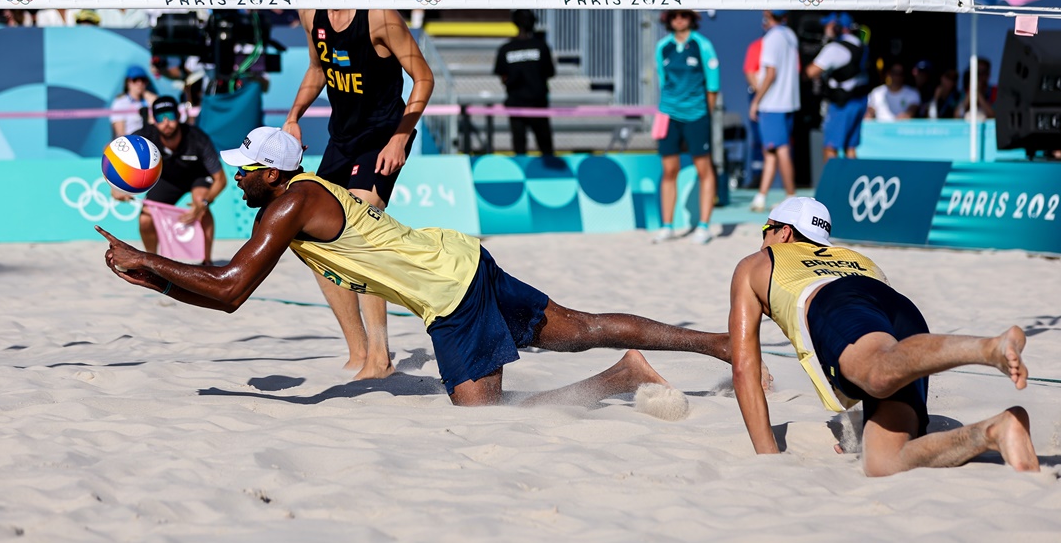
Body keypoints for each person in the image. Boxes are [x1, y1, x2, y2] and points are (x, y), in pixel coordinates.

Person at [97, 126, 744, 407]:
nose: (237, 179)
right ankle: (719, 344)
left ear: (273, 172)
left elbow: (231, 289)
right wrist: (155, 276)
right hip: (459, 255)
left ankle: (618, 381)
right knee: (577, 326)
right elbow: (225, 289)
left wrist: (145, 257)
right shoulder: (299, 199)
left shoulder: (290, 202)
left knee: (486, 418)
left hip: (448, 290)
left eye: (244, 170)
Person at [728, 196, 1038, 476]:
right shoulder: (856, 257)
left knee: (877, 372)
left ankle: (988, 348)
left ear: (783, 232)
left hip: (836, 303)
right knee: (883, 462)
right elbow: (875, 323)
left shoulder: (756, 263)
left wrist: (767, 456)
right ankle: (994, 431)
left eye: (765, 230)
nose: (762, 239)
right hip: (900, 310)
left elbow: (744, 368)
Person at [283, 0, 435, 381]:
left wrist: (400, 138)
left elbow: (424, 78)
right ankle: (358, 350)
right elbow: (317, 69)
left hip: (381, 136)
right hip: (340, 137)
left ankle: (381, 357)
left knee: (363, 230)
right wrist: (293, 117)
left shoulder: (381, 15)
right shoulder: (312, 12)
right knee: (309, 236)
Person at [114, 96, 227, 265]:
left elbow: (221, 179)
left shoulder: (197, 138)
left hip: (197, 177)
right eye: (160, 117)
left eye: (170, 116)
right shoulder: (145, 137)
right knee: (145, 217)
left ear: (179, 116)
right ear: (154, 119)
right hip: (168, 180)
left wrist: (205, 202)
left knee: (201, 206)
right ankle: (151, 261)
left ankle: (207, 261)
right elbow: (117, 156)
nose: (166, 122)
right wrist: (117, 186)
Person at [650, 9, 719, 245]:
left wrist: (704, 114)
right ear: (668, 19)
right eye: (674, 15)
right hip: (669, 114)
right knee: (669, 170)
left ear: (692, 18)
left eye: (684, 14)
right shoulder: (663, 47)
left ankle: (704, 226)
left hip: (697, 115)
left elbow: (713, 85)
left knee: (704, 169)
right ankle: (667, 226)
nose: (678, 18)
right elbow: (663, 81)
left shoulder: (703, 45)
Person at [749, 10, 800, 212]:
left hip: (773, 104)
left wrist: (756, 101)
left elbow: (770, 73)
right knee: (771, 151)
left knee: (781, 150)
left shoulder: (772, 38)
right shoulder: (791, 35)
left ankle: (791, 198)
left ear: (769, 16)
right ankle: (761, 197)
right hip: (787, 102)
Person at [804, 12, 871, 163]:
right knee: (850, 148)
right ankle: (854, 185)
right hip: (859, 101)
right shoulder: (861, 45)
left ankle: (832, 186)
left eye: (828, 26)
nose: (825, 29)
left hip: (843, 103)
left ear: (838, 28)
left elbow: (810, 72)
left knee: (830, 148)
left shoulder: (835, 49)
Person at [492, 8, 556, 157]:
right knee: (545, 145)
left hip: (518, 103)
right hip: (536, 102)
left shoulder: (506, 49)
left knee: (519, 146)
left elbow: (503, 77)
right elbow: (550, 73)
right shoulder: (541, 46)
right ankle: (550, 176)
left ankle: (523, 174)